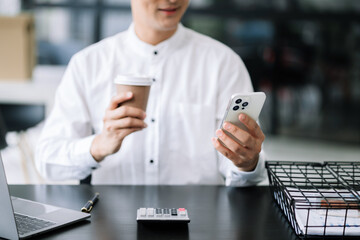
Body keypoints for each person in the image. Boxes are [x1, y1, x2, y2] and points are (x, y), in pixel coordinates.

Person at [35, 0, 267, 185]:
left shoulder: (223, 63)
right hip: (111, 224)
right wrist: (99, 145)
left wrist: (247, 163)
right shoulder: (88, 64)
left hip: (200, 221)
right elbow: (47, 160)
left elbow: (245, 175)